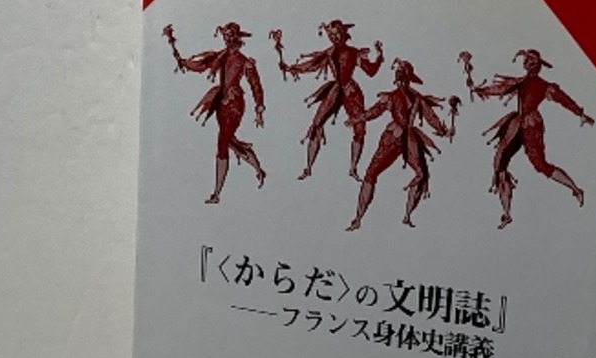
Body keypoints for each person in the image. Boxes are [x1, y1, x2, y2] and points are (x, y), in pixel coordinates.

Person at [462, 48, 593, 228]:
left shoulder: (543, 86)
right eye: (527, 61)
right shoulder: (521, 82)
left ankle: (575, 189)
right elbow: (500, 89)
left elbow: (563, 99)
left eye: (532, 62)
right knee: (500, 163)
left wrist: (580, 113)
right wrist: (479, 89)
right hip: (517, 125)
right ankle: (506, 213)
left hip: (531, 126)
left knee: (540, 165)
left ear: (537, 66)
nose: (529, 65)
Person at [345, 59, 456, 231]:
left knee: (420, 174)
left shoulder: (414, 98)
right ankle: (359, 217)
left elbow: (430, 117)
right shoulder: (395, 97)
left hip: (406, 138)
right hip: (394, 138)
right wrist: (357, 119)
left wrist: (443, 131)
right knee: (372, 173)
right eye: (399, 78)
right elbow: (374, 112)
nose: (401, 82)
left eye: (403, 78)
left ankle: (407, 215)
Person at [163, 21, 266, 204]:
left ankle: (217, 193)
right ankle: (258, 168)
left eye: (230, 36)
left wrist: (259, 109)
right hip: (220, 104)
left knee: (223, 143)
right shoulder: (220, 56)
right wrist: (183, 61)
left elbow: (256, 85)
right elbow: (202, 65)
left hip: (235, 105)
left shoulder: (244, 62)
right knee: (229, 141)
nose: (226, 39)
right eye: (225, 36)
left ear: (237, 37)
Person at [273, 20, 383, 181]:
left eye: (336, 33)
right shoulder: (329, 53)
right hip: (335, 90)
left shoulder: (353, 53)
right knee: (316, 124)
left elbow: (371, 71)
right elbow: (311, 65)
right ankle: (308, 167)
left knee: (359, 128)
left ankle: (353, 168)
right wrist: (291, 68)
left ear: (344, 34)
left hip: (351, 92)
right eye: (330, 35)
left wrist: (379, 57)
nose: (334, 37)